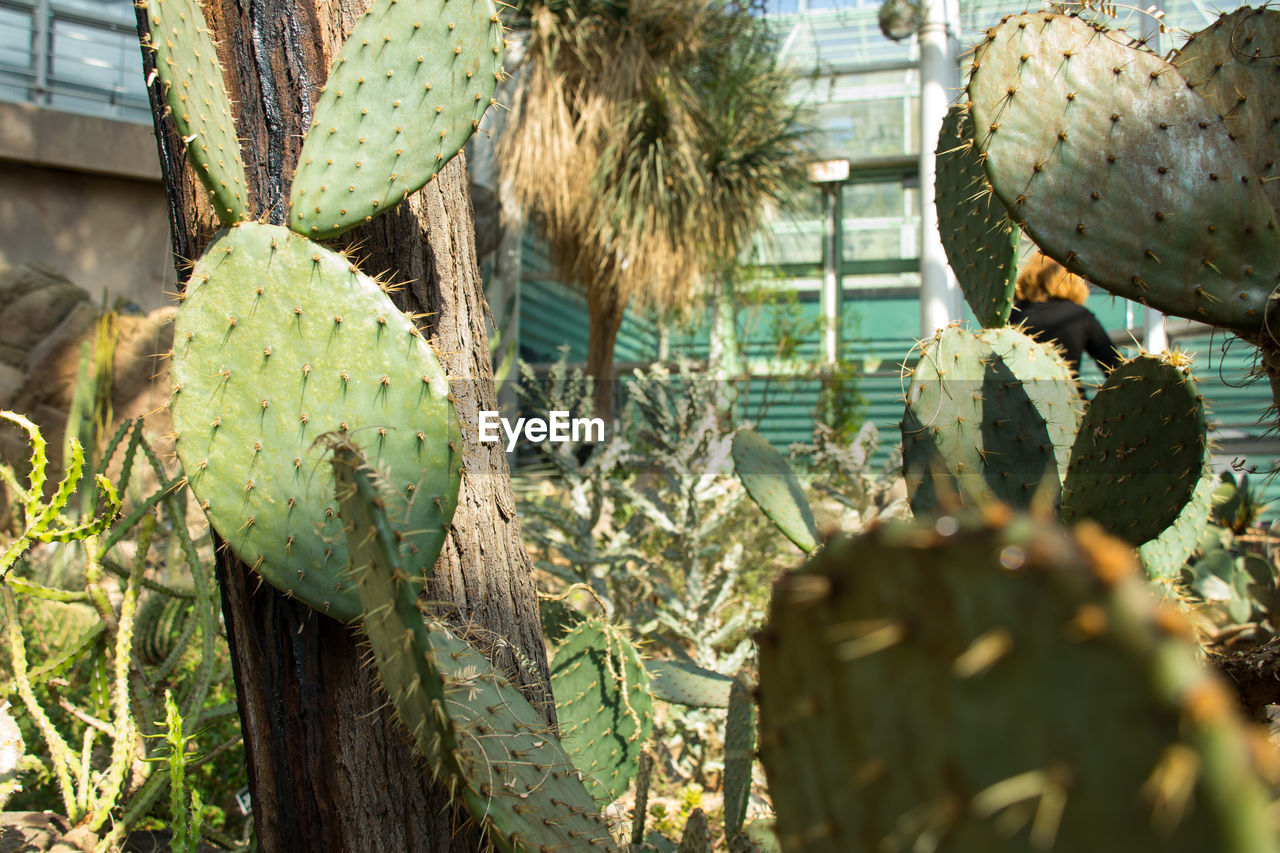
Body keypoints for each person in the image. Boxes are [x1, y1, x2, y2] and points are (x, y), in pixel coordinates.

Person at [1009, 252, 1123, 380]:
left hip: (1020, 397)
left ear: (1029, 276)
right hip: (1070, 397)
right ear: (1072, 278)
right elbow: (1114, 366)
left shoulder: (1012, 315)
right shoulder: (1079, 315)